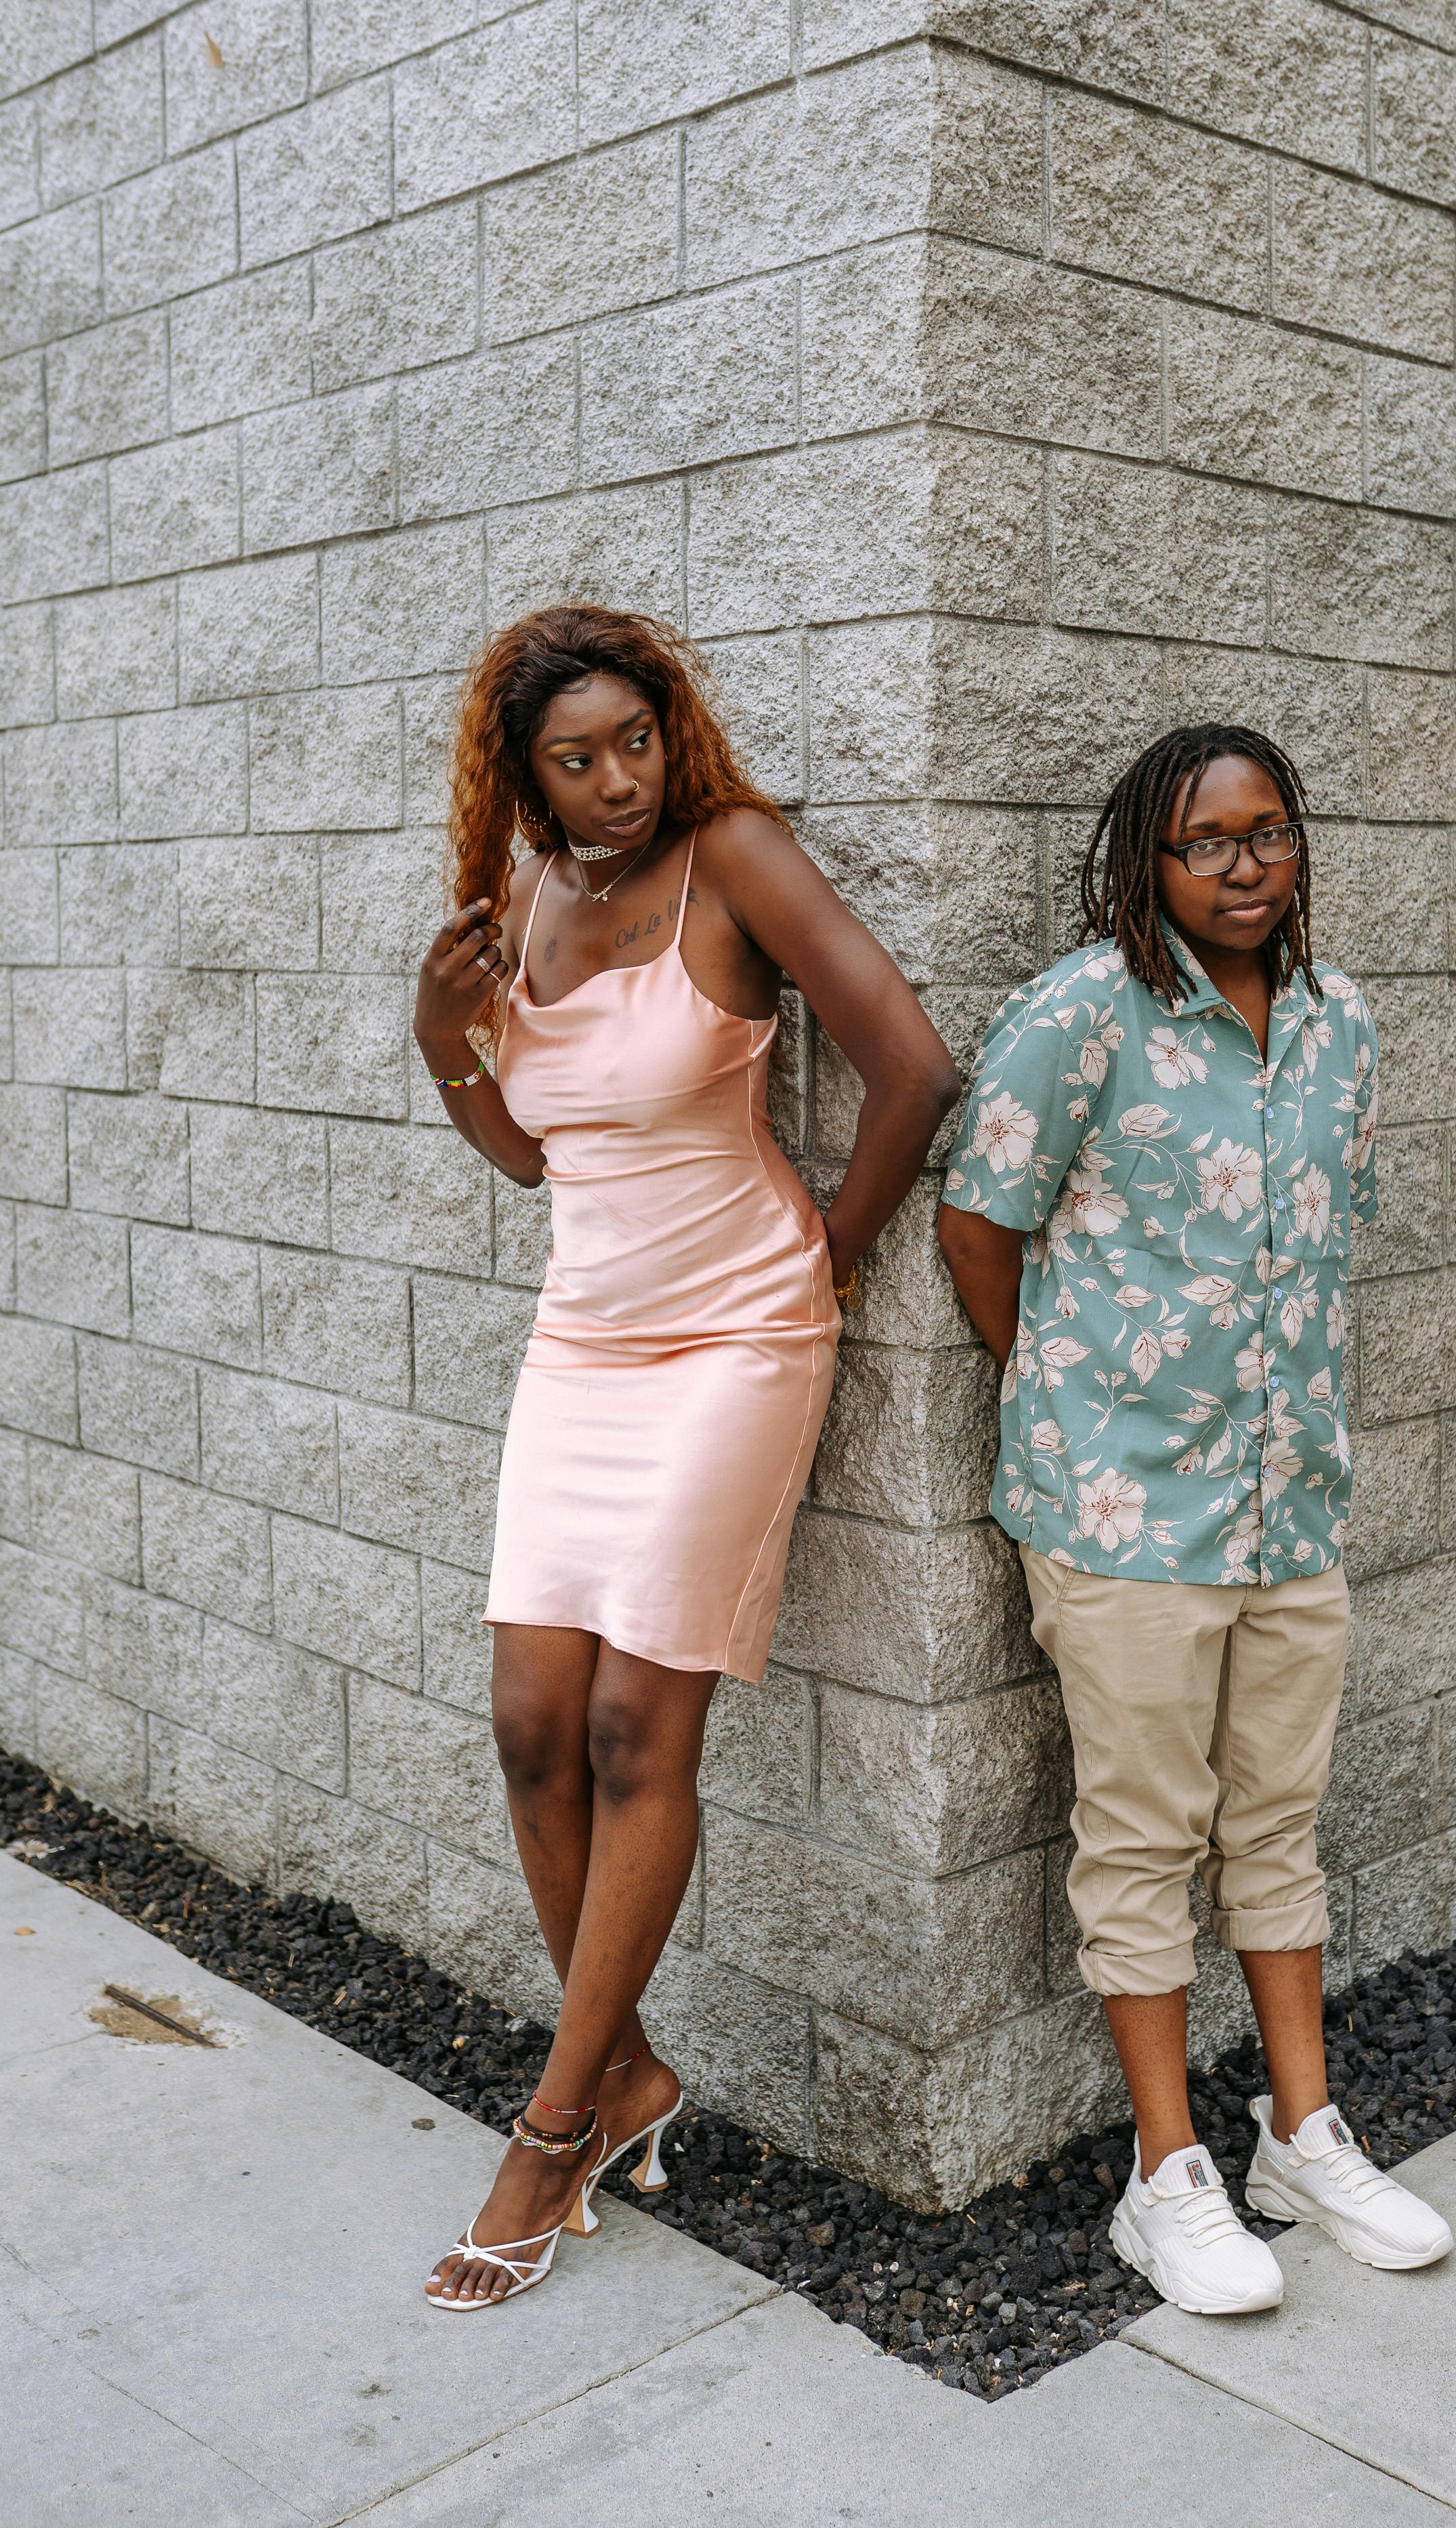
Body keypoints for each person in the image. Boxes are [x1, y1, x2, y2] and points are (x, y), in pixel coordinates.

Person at [414, 604, 958, 2311]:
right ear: (522, 775)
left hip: (735, 1341)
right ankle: (631, 2068)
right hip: (581, 1343)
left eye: (633, 740)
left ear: (671, 730)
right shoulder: (521, 902)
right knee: (528, 1724)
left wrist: (832, 1248)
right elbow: (526, 1154)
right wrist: (445, 1044)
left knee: (641, 1721)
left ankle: (556, 2119)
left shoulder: (734, 857)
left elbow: (914, 1066)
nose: (614, 780)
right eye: (572, 757)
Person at [937, 723, 1451, 2315]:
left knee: (1277, 1823)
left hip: (1289, 1500)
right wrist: (1073, 1402)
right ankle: (1164, 2171)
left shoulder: (1340, 1022)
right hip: (1122, 1514)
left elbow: (1324, 1246)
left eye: (1266, 831)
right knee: (1142, 1839)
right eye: (1203, 840)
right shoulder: (1080, 1011)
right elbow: (978, 1222)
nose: (1241, 864)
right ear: (1143, 863)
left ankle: (1301, 2130)